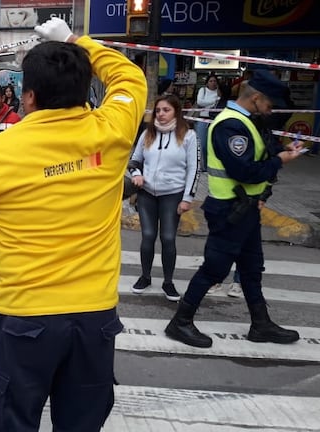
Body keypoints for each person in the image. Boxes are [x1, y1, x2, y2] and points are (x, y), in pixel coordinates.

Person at [0, 17, 147, 431]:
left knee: (14, 421)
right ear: (85, 90)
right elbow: (129, 76)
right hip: (94, 319)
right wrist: (76, 41)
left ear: (28, 97)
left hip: (25, 319)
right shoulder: (111, 133)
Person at [164, 70, 305, 349]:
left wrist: (280, 153)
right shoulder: (230, 125)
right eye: (269, 104)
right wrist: (281, 160)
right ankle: (180, 321)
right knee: (214, 269)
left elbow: (260, 158)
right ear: (255, 98)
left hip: (247, 210)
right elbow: (246, 172)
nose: (271, 110)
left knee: (252, 268)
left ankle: (260, 324)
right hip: (229, 210)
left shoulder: (248, 122)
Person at [129, 95, 200, 301]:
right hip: (147, 194)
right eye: (158, 110)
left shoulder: (188, 135)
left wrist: (187, 197)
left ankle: (168, 282)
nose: (161, 114)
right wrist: (137, 175)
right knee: (148, 236)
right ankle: (145, 277)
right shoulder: (147, 134)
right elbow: (134, 161)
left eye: (166, 110)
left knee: (168, 238)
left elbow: (194, 170)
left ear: (176, 111)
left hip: (173, 194)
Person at [195, 74, 221, 171]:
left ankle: (209, 166)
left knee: (212, 145)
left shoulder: (219, 92)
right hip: (202, 119)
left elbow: (219, 103)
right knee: (202, 144)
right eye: (211, 81)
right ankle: (202, 166)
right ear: (207, 82)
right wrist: (214, 101)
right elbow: (200, 102)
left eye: (214, 81)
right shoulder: (203, 90)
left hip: (214, 120)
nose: (213, 83)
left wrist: (209, 102)